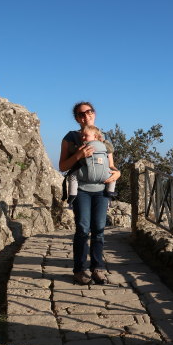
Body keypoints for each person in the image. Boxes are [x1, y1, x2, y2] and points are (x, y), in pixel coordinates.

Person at [59, 102, 121, 285]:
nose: (86, 115)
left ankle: (98, 268)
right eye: (81, 114)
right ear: (77, 119)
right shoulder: (70, 138)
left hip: (101, 190)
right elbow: (62, 166)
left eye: (89, 111)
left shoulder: (104, 138)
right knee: (83, 229)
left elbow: (110, 166)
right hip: (81, 190)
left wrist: (118, 173)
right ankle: (79, 270)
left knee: (99, 230)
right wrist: (78, 155)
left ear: (94, 113)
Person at [66, 125, 117, 207]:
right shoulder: (103, 145)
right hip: (103, 173)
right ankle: (110, 191)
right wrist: (105, 142)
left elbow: (73, 150)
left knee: (73, 175)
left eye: (85, 135)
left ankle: (72, 194)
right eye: (82, 136)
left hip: (87, 172)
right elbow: (111, 150)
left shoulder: (85, 145)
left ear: (95, 136)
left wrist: (72, 146)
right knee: (112, 177)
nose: (83, 137)